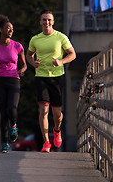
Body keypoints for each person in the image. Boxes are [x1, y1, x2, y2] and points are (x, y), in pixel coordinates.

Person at [26, 10, 76, 153]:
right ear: (40, 22)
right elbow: (29, 55)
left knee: (57, 114)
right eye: (44, 20)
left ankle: (57, 130)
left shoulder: (61, 37)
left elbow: (72, 54)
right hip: (41, 77)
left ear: (53, 22)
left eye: (49, 20)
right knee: (43, 110)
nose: (46, 22)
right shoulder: (35, 39)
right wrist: (32, 63)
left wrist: (61, 61)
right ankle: (46, 142)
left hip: (57, 78)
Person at [0, 14, 27, 153]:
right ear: (1, 29)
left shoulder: (17, 46)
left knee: (12, 108)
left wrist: (22, 69)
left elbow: (24, 65)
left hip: (14, 80)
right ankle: (4, 144)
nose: (11, 31)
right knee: (3, 112)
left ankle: (13, 126)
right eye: (8, 28)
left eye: (12, 29)